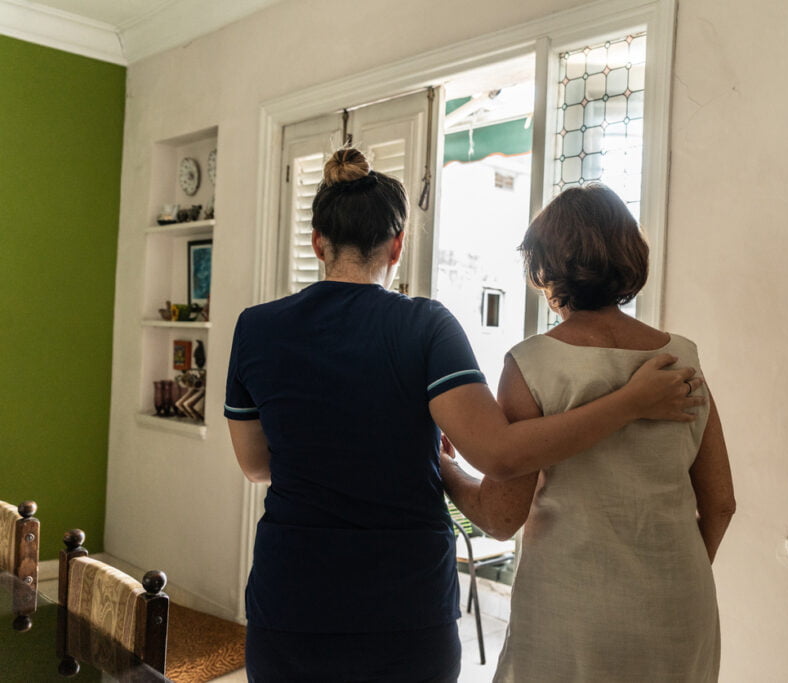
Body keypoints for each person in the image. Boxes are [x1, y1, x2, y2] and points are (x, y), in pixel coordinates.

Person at [224, 149, 706, 682]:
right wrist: (630, 402)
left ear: (317, 242)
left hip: (293, 593)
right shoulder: (426, 326)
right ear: (397, 244)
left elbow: (256, 464)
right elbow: (497, 454)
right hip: (405, 604)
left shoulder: (256, 328)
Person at [441, 184, 735, 682]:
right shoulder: (682, 358)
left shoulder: (531, 363)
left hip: (572, 606)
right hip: (680, 602)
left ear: (544, 267)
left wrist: (443, 466)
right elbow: (722, 503)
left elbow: (498, 516)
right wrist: (665, 582)